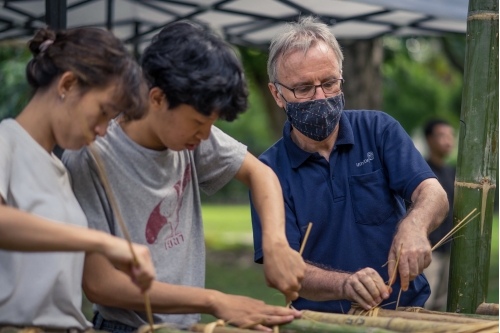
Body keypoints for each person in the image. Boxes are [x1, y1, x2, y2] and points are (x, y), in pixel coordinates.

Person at [62, 21, 304, 333]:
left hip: (186, 326)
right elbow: (100, 284)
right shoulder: (90, 156)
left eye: (212, 123)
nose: (205, 135)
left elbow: (261, 174)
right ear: (158, 98)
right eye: (200, 122)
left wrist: (275, 245)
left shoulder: (189, 135)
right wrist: (214, 300)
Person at [250, 16, 449, 314]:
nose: (320, 97)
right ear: (277, 94)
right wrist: (343, 285)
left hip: (404, 313)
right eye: (303, 89)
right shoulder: (266, 172)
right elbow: (284, 271)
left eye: (329, 83)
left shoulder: (378, 129)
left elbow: (434, 193)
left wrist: (415, 224)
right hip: (323, 323)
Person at [0, 27, 156, 331]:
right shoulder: (6, 142)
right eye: (102, 112)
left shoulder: (57, 167)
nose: (102, 130)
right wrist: (104, 243)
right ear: (68, 84)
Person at [422, 119, 455, 311]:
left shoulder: (453, 173)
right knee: (424, 303)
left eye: (450, 136)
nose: (448, 141)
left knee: (440, 305)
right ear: (429, 139)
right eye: (442, 135)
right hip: (428, 251)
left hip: (449, 249)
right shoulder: (421, 172)